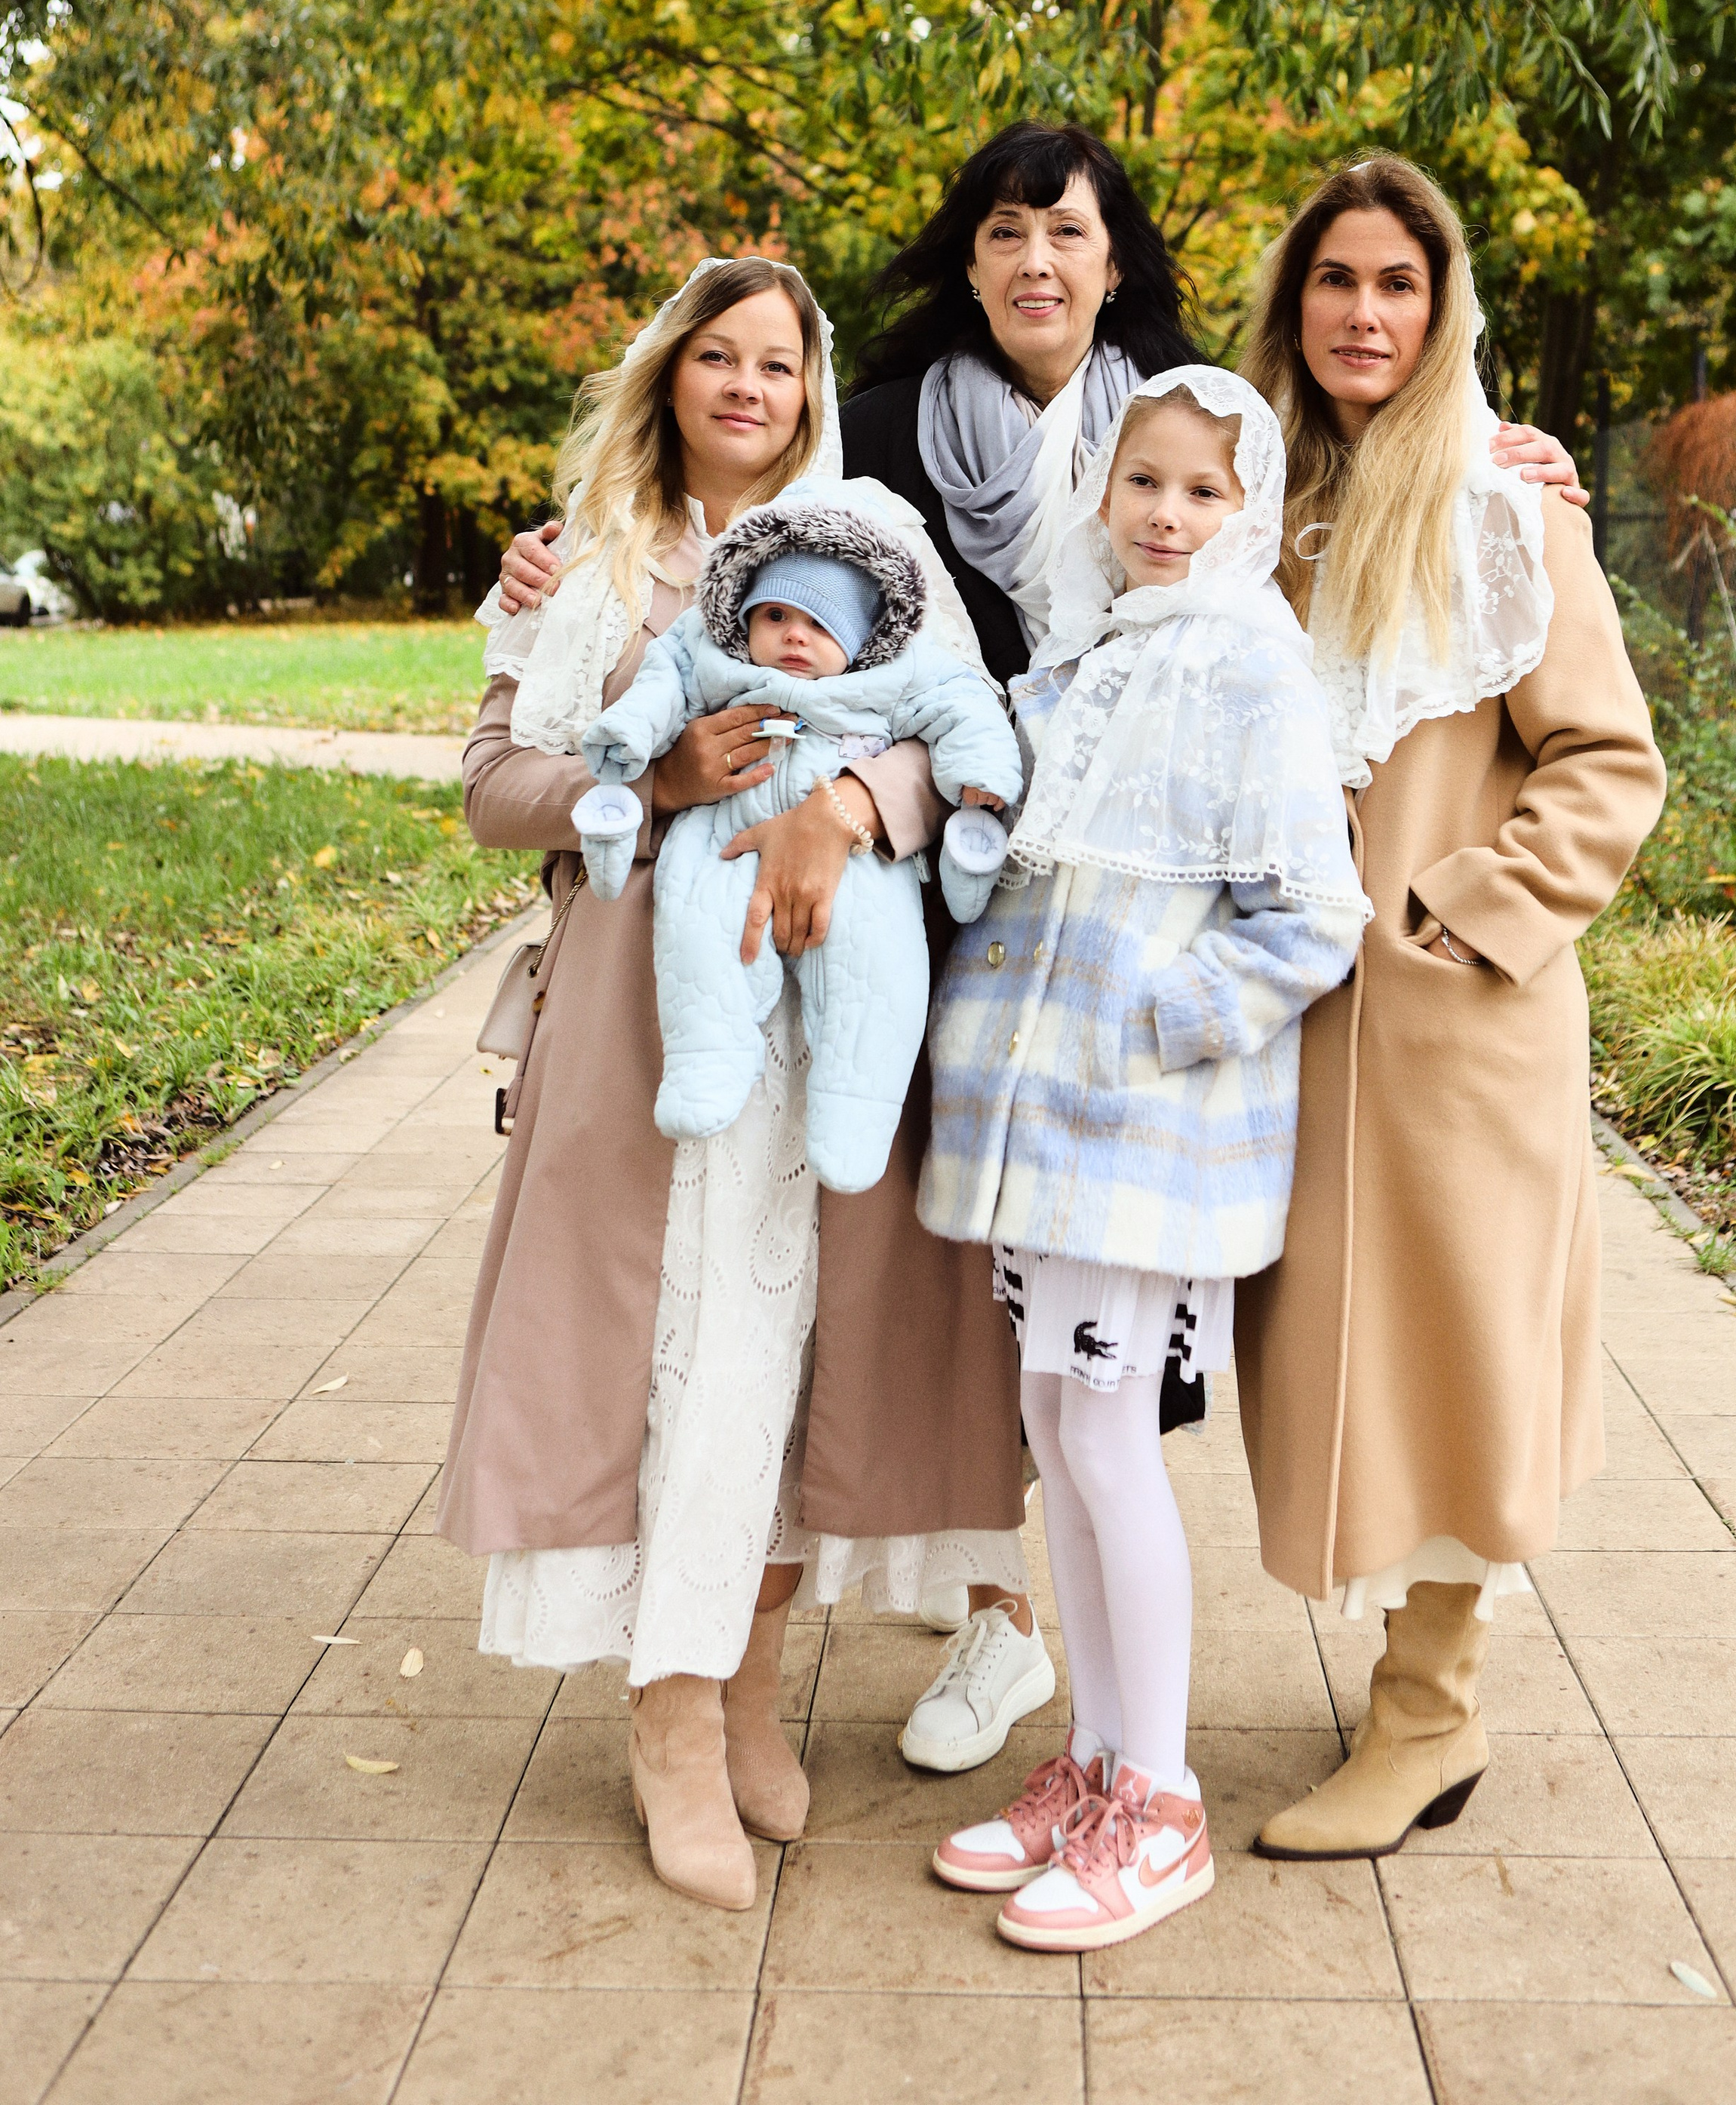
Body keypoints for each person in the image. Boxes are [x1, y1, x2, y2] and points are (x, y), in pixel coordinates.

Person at [492, 117, 1587, 1770]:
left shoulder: (1188, 433)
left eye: (1069, 233)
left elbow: (1301, 628)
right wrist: (570, 586)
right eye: (1007, 229)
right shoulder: (863, 446)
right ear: (971, 253)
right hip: (961, 943)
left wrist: (1512, 461)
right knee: (939, 1309)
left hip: (1148, 984)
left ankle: (1089, 1687)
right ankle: (1001, 1640)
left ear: (1113, 265)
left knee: (1107, 1380)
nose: (1037, 261)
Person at [441, 254, 1029, 1914]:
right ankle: (669, 1722)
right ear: (669, 376)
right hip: (656, 1026)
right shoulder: (588, 562)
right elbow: (492, 784)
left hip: (834, 1027)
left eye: (776, 361)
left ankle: (751, 1683)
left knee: (794, 1365)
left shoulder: (874, 540)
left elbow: (961, 729)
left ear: (807, 386)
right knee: (679, 1368)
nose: (748, 388)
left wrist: (841, 807)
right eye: (718, 357)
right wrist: (670, 772)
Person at [1231, 152, 1667, 1860]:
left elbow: (1606, 760)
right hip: (1297, 1027)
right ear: (1295, 302)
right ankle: (1409, 1681)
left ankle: (1428, 1713)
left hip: (1449, 1022)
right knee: (1335, 1361)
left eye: (1395, 285)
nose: (1361, 312)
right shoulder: (1260, 497)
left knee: (1454, 1362)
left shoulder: (1503, 502)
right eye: (1334, 280)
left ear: (1439, 308)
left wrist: (1455, 917)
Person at [917, 368, 1368, 1949]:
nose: (1167, 516)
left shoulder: (1251, 673)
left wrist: (1160, 1022)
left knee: (1107, 1443)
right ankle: (1095, 1762)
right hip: (1047, 1137)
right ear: (1104, 494)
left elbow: (1312, 914)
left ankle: (1159, 1804)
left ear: (1246, 516)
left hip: (1141, 1134)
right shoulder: (1088, 661)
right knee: (1059, 1426)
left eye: (1202, 492)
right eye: (1145, 484)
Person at [579, 500, 1021, 1188]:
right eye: (776, 616)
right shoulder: (711, 654)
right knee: (698, 934)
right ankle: (706, 1060)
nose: (793, 637)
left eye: (819, 625)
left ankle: (858, 1107)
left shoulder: (894, 671)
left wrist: (982, 776)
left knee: (880, 966)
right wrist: (632, 736)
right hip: (724, 835)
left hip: (854, 863)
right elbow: (659, 685)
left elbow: (964, 704)